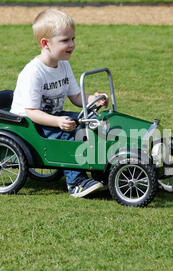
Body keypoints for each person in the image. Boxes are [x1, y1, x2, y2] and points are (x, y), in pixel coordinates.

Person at [10, 8, 108, 198]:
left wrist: (93, 99)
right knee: (70, 133)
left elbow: (76, 97)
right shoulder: (34, 73)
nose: (72, 44)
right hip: (29, 122)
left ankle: (100, 170)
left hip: (53, 116)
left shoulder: (63, 64)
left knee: (93, 122)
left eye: (73, 39)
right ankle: (75, 182)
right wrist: (58, 122)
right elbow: (31, 112)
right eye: (65, 40)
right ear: (45, 43)